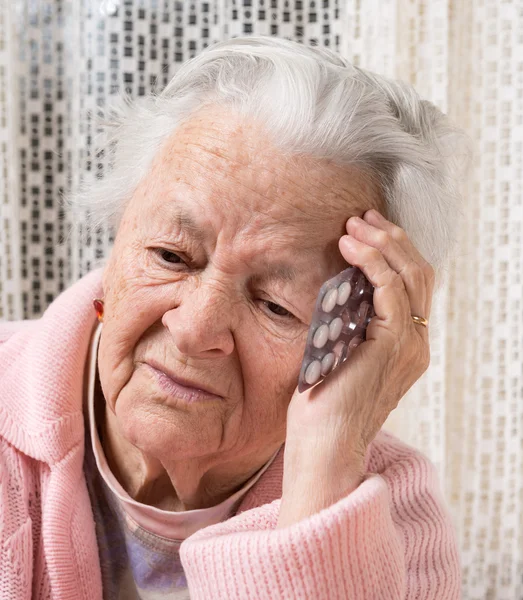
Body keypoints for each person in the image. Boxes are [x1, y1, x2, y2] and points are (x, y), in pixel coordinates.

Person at [0, 35, 469, 599]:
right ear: (117, 239)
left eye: (275, 304)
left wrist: (322, 481)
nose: (195, 330)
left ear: (354, 337)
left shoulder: (395, 520)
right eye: (171, 256)